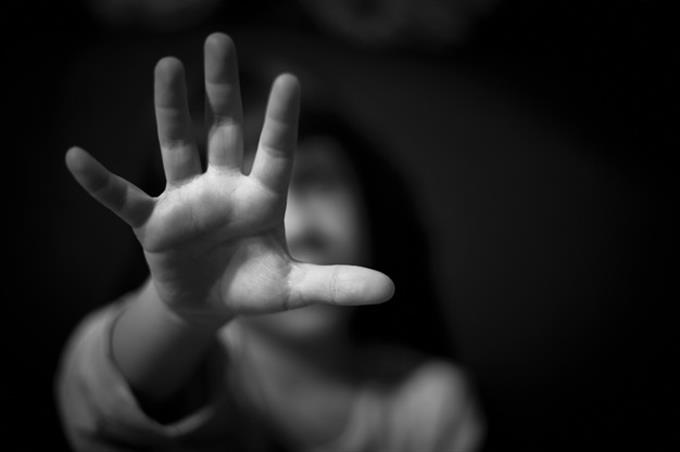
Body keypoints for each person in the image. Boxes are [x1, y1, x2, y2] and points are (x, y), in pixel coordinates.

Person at [55, 32, 484, 452]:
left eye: (318, 180)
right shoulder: (191, 380)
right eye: (243, 194)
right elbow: (97, 406)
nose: (298, 226)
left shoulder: (430, 406)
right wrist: (176, 314)